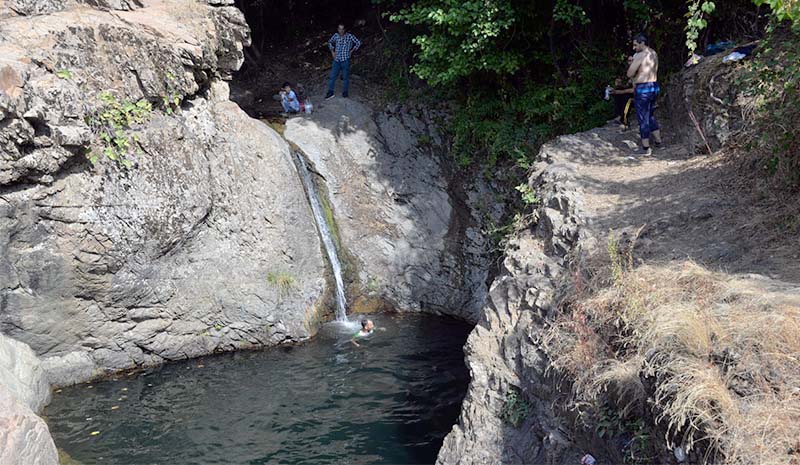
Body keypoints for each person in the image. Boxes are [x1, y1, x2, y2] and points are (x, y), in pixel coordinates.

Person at [626, 33, 662, 155]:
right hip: (654, 86)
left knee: (643, 118)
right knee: (650, 114)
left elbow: (630, 74)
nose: (634, 47)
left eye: (635, 45)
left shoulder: (641, 55)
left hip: (643, 89)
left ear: (642, 43)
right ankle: (658, 141)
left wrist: (632, 66)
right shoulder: (653, 53)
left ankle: (646, 148)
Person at [325, 24, 361, 100]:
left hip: (345, 60)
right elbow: (329, 42)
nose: (341, 31)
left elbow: (358, 42)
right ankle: (330, 92)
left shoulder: (349, 36)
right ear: (337, 29)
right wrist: (332, 51)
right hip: (336, 60)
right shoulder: (336, 35)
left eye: (342, 29)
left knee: (345, 77)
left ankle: (345, 92)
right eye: (339, 29)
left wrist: (352, 51)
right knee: (332, 77)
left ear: (345, 30)